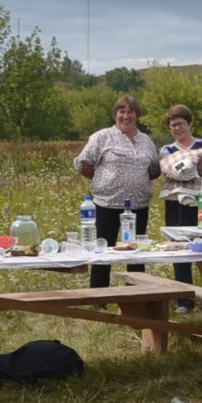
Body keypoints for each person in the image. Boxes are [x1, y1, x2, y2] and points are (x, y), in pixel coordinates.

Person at [74, 94, 161, 290]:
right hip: (107, 204)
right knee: (103, 251)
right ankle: (100, 296)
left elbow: (154, 169)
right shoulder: (101, 137)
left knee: (136, 253)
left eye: (130, 112)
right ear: (115, 114)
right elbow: (82, 164)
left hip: (139, 205)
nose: (126, 116)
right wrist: (103, 180)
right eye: (122, 111)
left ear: (136, 115)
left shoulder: (146, 140)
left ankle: (137, 294)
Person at [159, 104, 202, 306]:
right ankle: (184, 300)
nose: (177, 128)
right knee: (179, 248)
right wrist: (199, 167)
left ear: (189, 124)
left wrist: (185, 165)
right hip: (176, 203)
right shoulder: (166, 149)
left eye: (181, 123)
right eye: (173, 125)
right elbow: (169, 170)